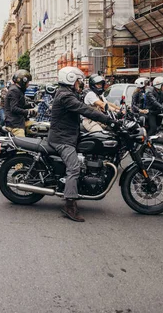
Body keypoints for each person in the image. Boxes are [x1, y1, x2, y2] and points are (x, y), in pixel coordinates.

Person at [48, 67, 118, 222]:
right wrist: (107, 120)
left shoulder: (68, 93)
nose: (80, 84)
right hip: (61, 139)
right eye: (79, 81)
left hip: (68, 134)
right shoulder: (65, 96)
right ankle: (69, 205)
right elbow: (84, 109)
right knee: (74, 168)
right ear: (71, 79)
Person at [4, 70, 37, 136]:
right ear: (22, 82)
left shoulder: (18, 90)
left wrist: (32, 104)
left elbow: (20, 105)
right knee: (22, 144)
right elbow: (14, 108)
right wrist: (28, 112)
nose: (28, 85)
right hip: (15, 124)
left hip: (20, 121)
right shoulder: (14, 91)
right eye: (27, 82)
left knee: (38, 126)